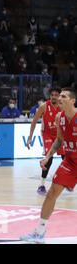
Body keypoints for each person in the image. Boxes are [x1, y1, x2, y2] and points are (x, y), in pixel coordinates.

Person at [20, 88, 77, 243]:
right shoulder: (60, 117)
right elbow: (59, 140)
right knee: (51, 193)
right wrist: (47, 157)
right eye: (60, 96)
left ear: (72, 101)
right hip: (71, 162)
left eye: (64, 96)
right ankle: (39, 233)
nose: (60, 98)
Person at [27, 87, 65, 195]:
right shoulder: (44, 106)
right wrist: (30, 137)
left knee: (65, 158)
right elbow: (34, 121)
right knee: (49, 159)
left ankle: (66, 182)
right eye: (52, 95)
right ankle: (42, 185)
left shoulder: (63, 107)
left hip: (59, 135)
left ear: (59, 96)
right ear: (50, 96)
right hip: (47, 134)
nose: (54, 97)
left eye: (56, 95)